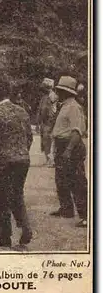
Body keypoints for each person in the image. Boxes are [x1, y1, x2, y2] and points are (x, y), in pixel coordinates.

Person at [0, 79, 33, 248]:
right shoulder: (22, 111)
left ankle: (4, 237)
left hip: (5, 161)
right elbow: (29, 137)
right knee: (17, 195)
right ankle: (25, 229)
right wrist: (22, 152)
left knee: (0, 199)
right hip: (23, 160)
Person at [49, 76, 88, 228]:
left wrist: (68, 150)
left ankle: (85, 214)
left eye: (59, 90)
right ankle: (66, 208)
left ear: (65, 92)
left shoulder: (73, 107)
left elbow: (76, 131)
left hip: (71, 146)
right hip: (62, 145)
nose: (57, 93)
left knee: (77, 181)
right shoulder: (64, 105)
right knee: (61, 179)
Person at [36, 78, 58, 166]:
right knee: (46, 140)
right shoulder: (46, 97)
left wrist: (40, 120)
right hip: (46, 121)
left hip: (49, 121)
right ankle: (49, 159)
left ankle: (51, 160)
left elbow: (47, 110)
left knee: (49, 140)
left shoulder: (52, 96)